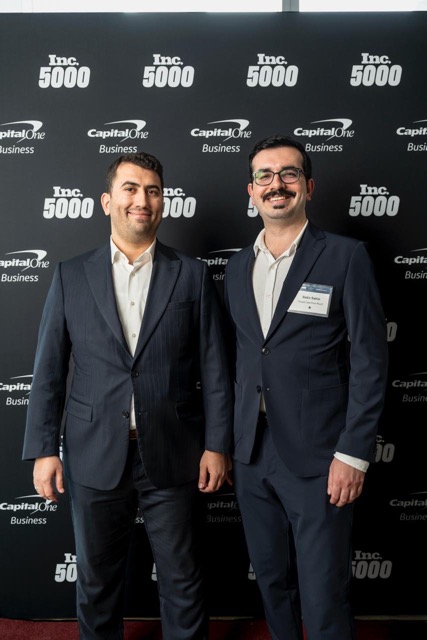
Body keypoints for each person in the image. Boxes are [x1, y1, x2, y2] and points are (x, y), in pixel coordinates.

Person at [23, 151, 233, 640]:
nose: (143, 199)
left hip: (175, 452)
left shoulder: (193, 274)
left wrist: (217, 444)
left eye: (153, 190)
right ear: (107, 201)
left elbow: (216, 370)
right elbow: (49, 371)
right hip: (93, 450)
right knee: (96, 582)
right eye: (131, 188)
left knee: (183, 579)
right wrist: (42, 450)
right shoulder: (70, 275)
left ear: (163, 202)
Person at [223, 134, 388, 640]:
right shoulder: (237, 266)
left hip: (320, 455)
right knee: (272, 582)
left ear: (308, 187)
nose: (277, 184)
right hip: (251, 453)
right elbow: (245, 358)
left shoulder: (345, 256)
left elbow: (370, 360)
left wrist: (353, 454)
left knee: (322, 590)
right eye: (265, 176)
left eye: (289, 174)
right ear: (251, 191)